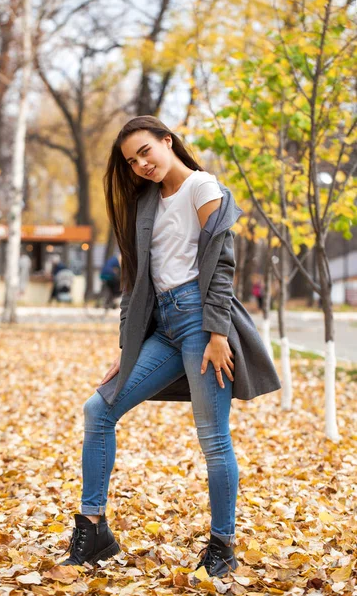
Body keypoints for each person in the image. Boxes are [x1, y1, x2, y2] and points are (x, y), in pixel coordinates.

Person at [59, 116, 281, 577]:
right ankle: (94, 528)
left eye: (146, 151)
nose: (141, 163)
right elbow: (133, 281)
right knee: (98, 411)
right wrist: (127, 344)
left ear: (167, 141)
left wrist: (218, 335)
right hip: (159, 327)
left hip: (201, 324)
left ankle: (222, 544)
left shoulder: (203, 187)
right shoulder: (145, 205)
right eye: (131, 160)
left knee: (213, 438)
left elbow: (221, 264)